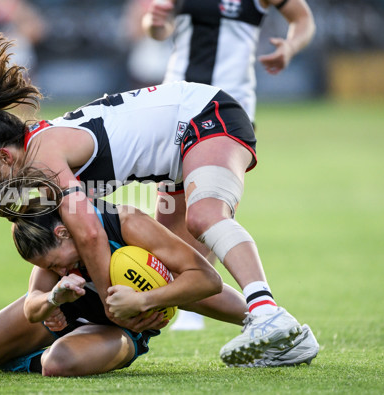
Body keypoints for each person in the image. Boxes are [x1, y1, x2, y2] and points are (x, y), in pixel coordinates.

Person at [0, 12, 318, 366]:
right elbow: (62, 236)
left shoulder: (41, 153)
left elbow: (88, 231)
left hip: (203, 117)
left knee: (206, 215)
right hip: (174, 160)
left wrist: (110, 304)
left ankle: (265, 311)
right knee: (170, 272)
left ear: (6, 156)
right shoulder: (43, 158)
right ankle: (289, 335)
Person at [0, 199, 253, 375]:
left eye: (54, 262)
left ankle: (28, 360)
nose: (56, 268)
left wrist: (145, 300)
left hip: (117, 329)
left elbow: (206, 281)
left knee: (57, 365)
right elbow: (32, 306)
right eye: (45, 268)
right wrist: (53, 298)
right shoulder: (49, 259)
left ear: (65, 232)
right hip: (64, 318)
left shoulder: (126, 225)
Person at [141, 0, 316, 331]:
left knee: (207, 209)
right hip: (175, 107)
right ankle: (184, 296)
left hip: (227, 110)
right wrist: (154, 22)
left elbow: (303, 19)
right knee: (167, 218)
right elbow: (157, 29)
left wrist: (290, 46)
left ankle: (199, 302)